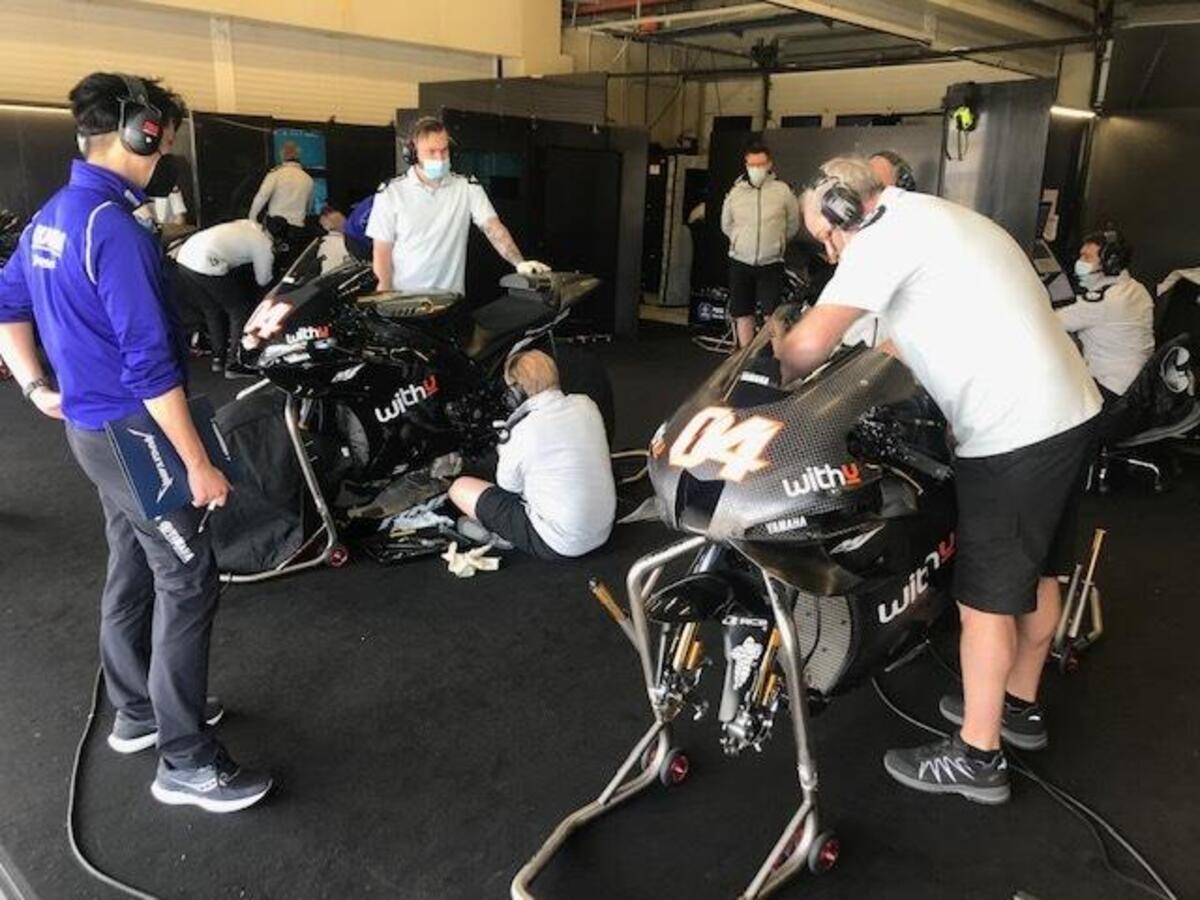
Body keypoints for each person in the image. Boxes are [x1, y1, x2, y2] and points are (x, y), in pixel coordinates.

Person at [780, 157, 1101, 805]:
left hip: (1014, 434)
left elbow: (806, 346)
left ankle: (978, 755)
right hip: (1071, 413)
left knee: (984, 601)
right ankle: (1018, 706)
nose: (828, 250)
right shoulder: (935, 219)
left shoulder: (880, 239)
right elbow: (907, 338)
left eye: (825, 235)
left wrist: (776, 370)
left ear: (846, 211)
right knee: (1040, 571)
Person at [0, 72, 272, 813]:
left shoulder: (54, 215)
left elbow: (7, 305)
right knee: (187, 577)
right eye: (164, 138)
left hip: (95, 434)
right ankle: (184, 760)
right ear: (142, 132)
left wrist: (35, 387)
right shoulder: (113, 229)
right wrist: (197, 464)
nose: (165, 152)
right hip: (136, 435)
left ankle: (137, 711)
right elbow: (151, 369)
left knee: (133, 558)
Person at [447, 350, 615, 560]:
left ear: (515, 393)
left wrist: (505, 441)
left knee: (459, 488)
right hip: (603, 530)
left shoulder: (522, 431)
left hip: (559, 544)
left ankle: (504, 535)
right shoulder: (586, 404)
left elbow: (508, 486)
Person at [366, 116, 550, 294]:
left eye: (444, 150)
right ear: (413, 153)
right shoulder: (391, 192)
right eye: (431, 151)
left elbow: (494, 229)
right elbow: (382, 252)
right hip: (404, 300)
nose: (440, 158)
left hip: (450, 300)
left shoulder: (467, 187)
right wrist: (385, 298)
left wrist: (519, 262)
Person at [1057, 228, 1154, 403]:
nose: (1079, 262)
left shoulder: (1103, 302)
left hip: (1109, 391)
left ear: (1110, 263)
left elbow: (1051, 322)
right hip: (1137, 387)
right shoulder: (1137, 289)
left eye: (1087, 257)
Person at [720, 140, 800, 349]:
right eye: (752, 164)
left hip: (771, 262)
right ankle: (744, 358)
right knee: (742, 312)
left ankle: (779, 359)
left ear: (769, 164)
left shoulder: (783, 191)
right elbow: (726, 224)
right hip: (740, 261)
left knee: (773, 315)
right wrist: (739, 242)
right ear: (746, 165)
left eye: (761, 164)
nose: (756, 169)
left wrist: (776, 243)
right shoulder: (735, 192)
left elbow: (793, 224)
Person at [174, 218, 276, 377]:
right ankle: (235, 364)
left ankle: (218, 358)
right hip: (206, 260)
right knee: (239, 309)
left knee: (211, 310)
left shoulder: (249, 224)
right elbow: (263, 280)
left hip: (185, 256)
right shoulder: (264, 243)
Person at [248, 140, 313, 254]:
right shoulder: (308, 179)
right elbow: (309, 207)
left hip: (276, 229)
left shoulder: (276, 174)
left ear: (282, 155)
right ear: (298, 155)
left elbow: (262, 196)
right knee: (291, 260)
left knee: (272, 259)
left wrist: (251, 219)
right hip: (297, 229)